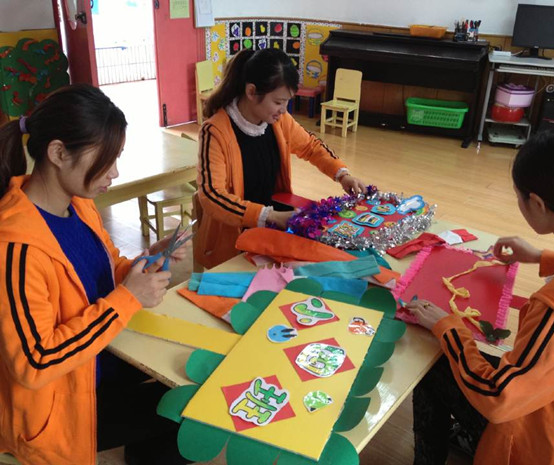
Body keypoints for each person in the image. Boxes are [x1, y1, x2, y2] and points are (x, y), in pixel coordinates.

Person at [406, 126, 554, 465]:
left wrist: (448, 327)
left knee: (437, 363)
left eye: (518, 197)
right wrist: (540, 257)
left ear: (537, 204)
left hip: (552, 445)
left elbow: (500, 397)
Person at [0, 84, 190, 465]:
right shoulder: (16, 247)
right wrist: (129, 297)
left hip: (101, 362)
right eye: (106, 159)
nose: (115, 173)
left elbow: (105, 269)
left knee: (185, 385)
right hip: (58, 406)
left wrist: (141, 264)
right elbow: (36, 362)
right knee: (184, 412)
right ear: (58, 153)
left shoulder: (79, 205)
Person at [195, 48, 367, 269]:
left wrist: (342, 174)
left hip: (274, 231)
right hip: (233, 243)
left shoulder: (279, 121)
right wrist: (269, 216)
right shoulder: (215, 131)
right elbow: (212, 197)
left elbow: (311, 147)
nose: (283, 110)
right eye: (278, 102)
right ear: (251, 92)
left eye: (286, 102)